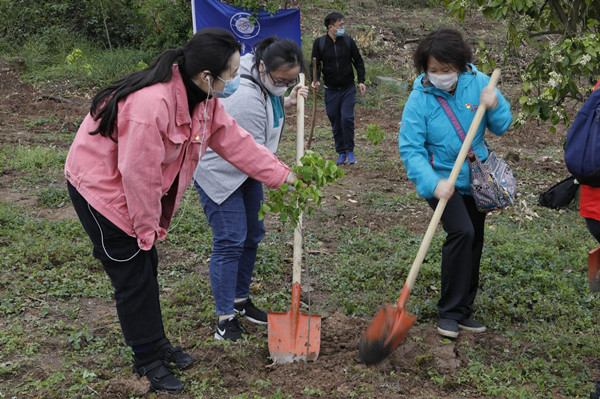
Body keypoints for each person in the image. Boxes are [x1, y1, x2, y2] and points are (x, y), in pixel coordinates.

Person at [64, 28, 295, 394]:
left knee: (147, 266)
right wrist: (145, 229)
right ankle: (146, 360)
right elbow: (138, 177)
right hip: (101, 191)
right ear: (207, 76)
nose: (235, 80)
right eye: (232, 75)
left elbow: (237, 143)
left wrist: (284, 177)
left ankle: (157, 344)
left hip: (133, 188)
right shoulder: (151, 106)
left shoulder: (203, 101)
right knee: (132, 275)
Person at [398, 28, 512, 339]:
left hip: (475, 180)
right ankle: (448, 312)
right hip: (440, 180)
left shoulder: (479, 84)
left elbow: (502, 126)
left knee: (474, 241)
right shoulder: (419, 99)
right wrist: (433, 183)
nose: (439, 76)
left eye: (446, 70)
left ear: (460, 66)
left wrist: (495, 102)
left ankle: (463, 311)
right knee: (462, 232)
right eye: (433, 70)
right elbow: (410, 148)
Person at [193, 36, 308, 342]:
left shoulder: (262, 81)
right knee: (231, 239)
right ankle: (224, 319)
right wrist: (289, 180)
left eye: (291, 80)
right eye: (281, 81)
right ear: (261, 67)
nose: (284, 85)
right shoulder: (242, 95)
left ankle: (240, 301)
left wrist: (287, 101)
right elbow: (252, 155)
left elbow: (267, 103)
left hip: (248, 169)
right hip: (220, 171)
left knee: (253, 233)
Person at [311, 11, 366, 165]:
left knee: (347, 118)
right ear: (330, 27)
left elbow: (358, 62)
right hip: (331, 90)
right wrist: (315, 80)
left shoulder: (348, 41)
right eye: (340, 25)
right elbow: (315, 64)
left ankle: (350, 151)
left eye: (344, 24)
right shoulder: (320, 43)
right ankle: (341, 152)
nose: (344, 27)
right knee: (335, 120)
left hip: (348, 88)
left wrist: (361, 80)